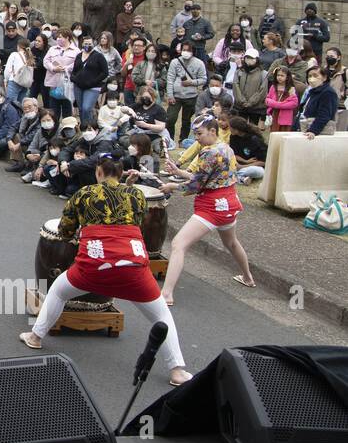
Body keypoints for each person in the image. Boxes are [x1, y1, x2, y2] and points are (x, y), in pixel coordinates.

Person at [20, 156, 192, 386]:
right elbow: (137, 223)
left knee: (59, 292)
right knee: (161, 316)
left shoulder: (83, 194)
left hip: (93, 266)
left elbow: (65, 231)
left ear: (98, 172)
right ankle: (177, 370)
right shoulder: (137, 195)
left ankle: (35, 337)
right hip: (133, 267)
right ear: (121, 174)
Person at [158, 115, 256, 305]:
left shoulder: (209, 152)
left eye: (200, 134)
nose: (197, 138)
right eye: (195, 134)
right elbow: (205, 177)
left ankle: (167, 294)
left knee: (179, 244)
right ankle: (248, 277)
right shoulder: (226, 148)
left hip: (212, 206)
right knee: (232, 243)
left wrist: (172, 186)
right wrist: (178, 173)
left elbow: (195, 185)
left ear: (213, 131)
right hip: (229, 202)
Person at [300, 67, 339, 138]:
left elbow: (324, 114)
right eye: (309, 76)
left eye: (315, 75)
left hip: (319, 131)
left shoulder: (328, 92)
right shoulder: (312, 91)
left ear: (324, 77)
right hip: (307, 126)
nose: (311, 78)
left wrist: (313, 130)